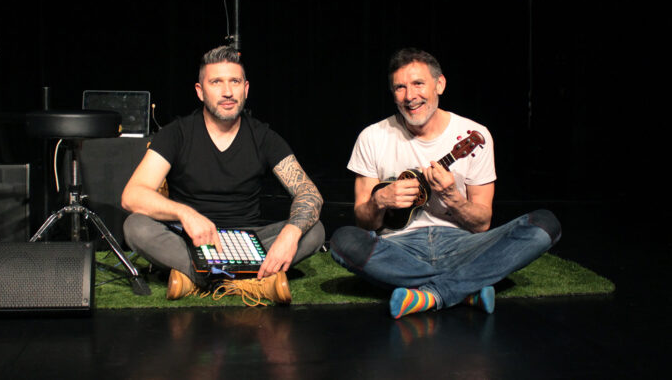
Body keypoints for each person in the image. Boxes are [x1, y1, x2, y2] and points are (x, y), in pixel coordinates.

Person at [329, 48, 562, 318]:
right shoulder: (372, 137)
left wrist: (452, 196)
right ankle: (467, 289)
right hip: (398, 248)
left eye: (418, 83)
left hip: (462, 246)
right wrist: (379, 200)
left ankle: (432, 294)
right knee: (343, 241)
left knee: (545, 225)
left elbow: (482, 223)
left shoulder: (475, 134)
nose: (410, 96)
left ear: (439, 84)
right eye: (400, 87)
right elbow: (364, 222)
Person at [121, 46, 325, 305]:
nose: (227, 92)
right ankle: (252, 281)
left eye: (235, 82)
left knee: (314, 230)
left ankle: (196, 279)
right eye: (216, 82)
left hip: (250, 242)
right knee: (136, 226)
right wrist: (186, 214)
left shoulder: (263, 137)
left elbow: (309, 193)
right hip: (191, 242)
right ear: (200, 91)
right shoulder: (176, 134)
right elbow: (132, 195)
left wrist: (290, 234)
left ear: (246, 89)